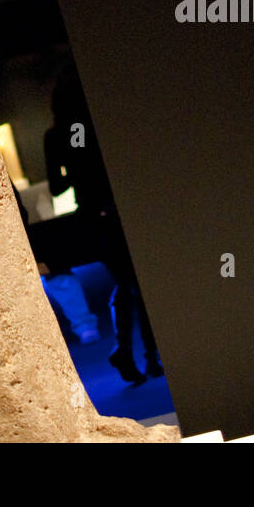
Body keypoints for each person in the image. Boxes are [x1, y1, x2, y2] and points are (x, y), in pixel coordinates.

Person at [45, 65, 162, 384]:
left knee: (128, 284)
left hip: (92, 215)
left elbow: (56, 186)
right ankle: (146, 356)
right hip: (119, 210)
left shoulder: (55, 136)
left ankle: (131, 353)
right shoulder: (99, 123)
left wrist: (77, 171)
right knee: (138, 284)